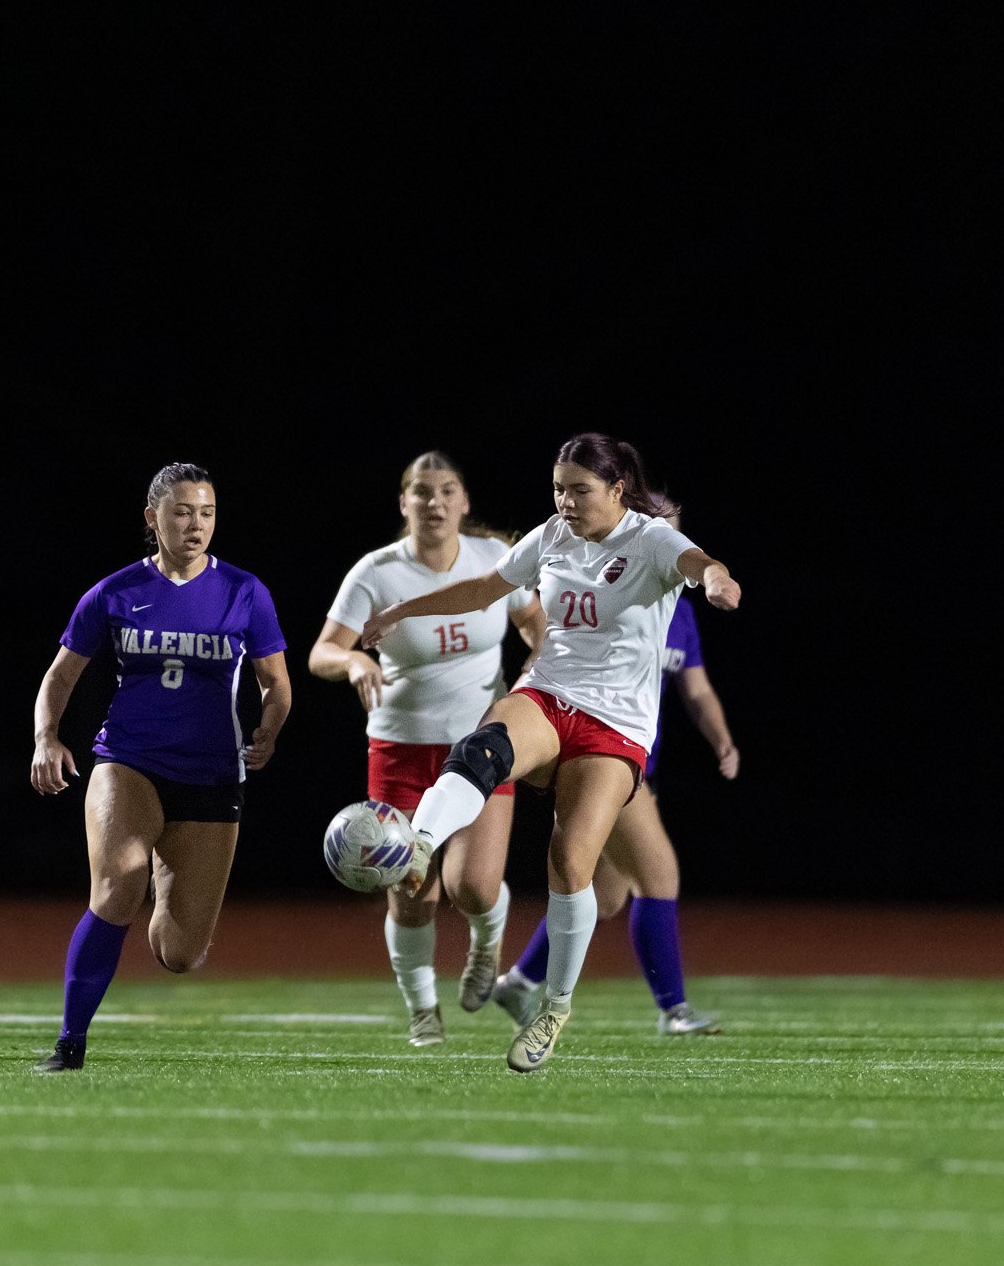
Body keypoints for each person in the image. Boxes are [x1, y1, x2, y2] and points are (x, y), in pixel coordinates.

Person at [361, 433, 740, 1072]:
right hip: (549, 692)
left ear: (617, 490)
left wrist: (717, 578)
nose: (565, 501)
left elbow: (700, 563)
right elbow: (483, 589)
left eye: (579, 490)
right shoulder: (554, 535)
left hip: (615, 725)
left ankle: (552, 1009)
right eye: (559, 488)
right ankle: (419, 843)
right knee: (482, 749)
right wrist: (403, 609)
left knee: (570, 862)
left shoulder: (650, 538)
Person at [29, 463, 290, 1072]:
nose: (196, 525)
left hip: (213, 775)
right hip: (128, 760)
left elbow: (275, 682)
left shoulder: (244, 591)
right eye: (182, 512)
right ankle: (70, 1043)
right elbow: (60, 676)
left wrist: (271, 728)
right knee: (119, 882)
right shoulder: (114, 591)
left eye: (207, 513)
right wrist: (46, 738)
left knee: (180, 954)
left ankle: (162, 887)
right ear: (153, 518)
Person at [309, 451, 543, 1046]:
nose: (434, 502)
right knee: (412, 892)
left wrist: (533, 672)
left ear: (464, 502)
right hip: (402, 749)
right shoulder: (377, 572)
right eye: (422, 491)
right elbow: (321, 652)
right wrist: (353, 660)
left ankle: (486, 948)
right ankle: (422, 1010)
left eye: (446, 490)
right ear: (404, 503)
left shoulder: (493, 559)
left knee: (473, 887)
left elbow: (536, 624)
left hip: (482, 745)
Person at [490, 587, 740, 1035]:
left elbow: (697, 688)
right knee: (658, 875)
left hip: (640, 765)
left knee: (604, 897)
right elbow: (553, 653)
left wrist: (721, 739)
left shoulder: (679, 611)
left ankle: (519, 983)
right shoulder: (609, 593)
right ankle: (674, 1010)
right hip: (602, 757)